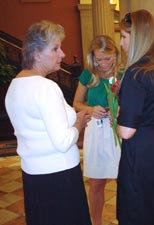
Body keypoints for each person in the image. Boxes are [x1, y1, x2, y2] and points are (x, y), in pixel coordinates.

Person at [5, 20, 92, 225]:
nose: (62, 54)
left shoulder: (15, 86)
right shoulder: (46, 87)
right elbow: (62, 142)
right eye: (55, 48)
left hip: (33, 176)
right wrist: (78, 123)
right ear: (36, 54)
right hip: (59, 178)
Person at [116, 10, 154, 225]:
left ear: (138, 38)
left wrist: (118, 117)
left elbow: (126, 131)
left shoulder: (135, 73)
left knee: (138, 214)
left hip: (141, 157)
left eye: (124, 37)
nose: (121, 43)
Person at [73, 35, 121, 225]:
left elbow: (131, 103)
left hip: (118, 130)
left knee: (123, 181)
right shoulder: (88, 75)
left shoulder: (123, 74)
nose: (103, 63)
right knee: (96, 183)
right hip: (95, 131)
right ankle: (97, 222)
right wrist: (91, 109)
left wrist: (120, 111)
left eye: (107, 58)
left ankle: (125, 218)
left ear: (115, 55)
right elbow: (76, 103)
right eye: (98, 59)